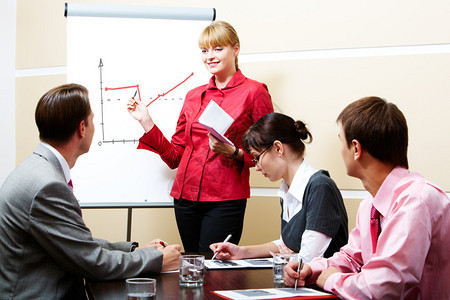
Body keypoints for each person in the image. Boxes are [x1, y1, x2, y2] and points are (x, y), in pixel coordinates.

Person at [0, 84, 181, 299]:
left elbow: (74, 241)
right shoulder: (47, 186)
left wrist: (134, 250)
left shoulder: (37, 169)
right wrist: (157, 259)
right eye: (93, 119)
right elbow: (92, 261)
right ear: (82, 128)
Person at [127, 20, 273, 252]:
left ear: (235, 49)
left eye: (218, 48)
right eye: (204, 50)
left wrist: (234, 152)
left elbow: (270, 154)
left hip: (224, 200)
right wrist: (147, 122)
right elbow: (175, 156)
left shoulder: (254, 92)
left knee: (215, 269)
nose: (210, 56)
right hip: (184, 199)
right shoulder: (193, 96)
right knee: (192, 268)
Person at [284, 97, 450, 299]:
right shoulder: (370, 204)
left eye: (340, 141)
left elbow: (383, 287)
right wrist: (313, 269)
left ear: (356, 148)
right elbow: (353, 257)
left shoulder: (416, 200)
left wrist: (332, 279)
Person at [210, 113, 348, 262]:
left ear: (278, 148)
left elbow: (307, 260)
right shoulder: (287, 190)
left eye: (257, 158)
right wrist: (241, 251)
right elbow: (287, 245)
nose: (256, 167)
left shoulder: (320, 187)